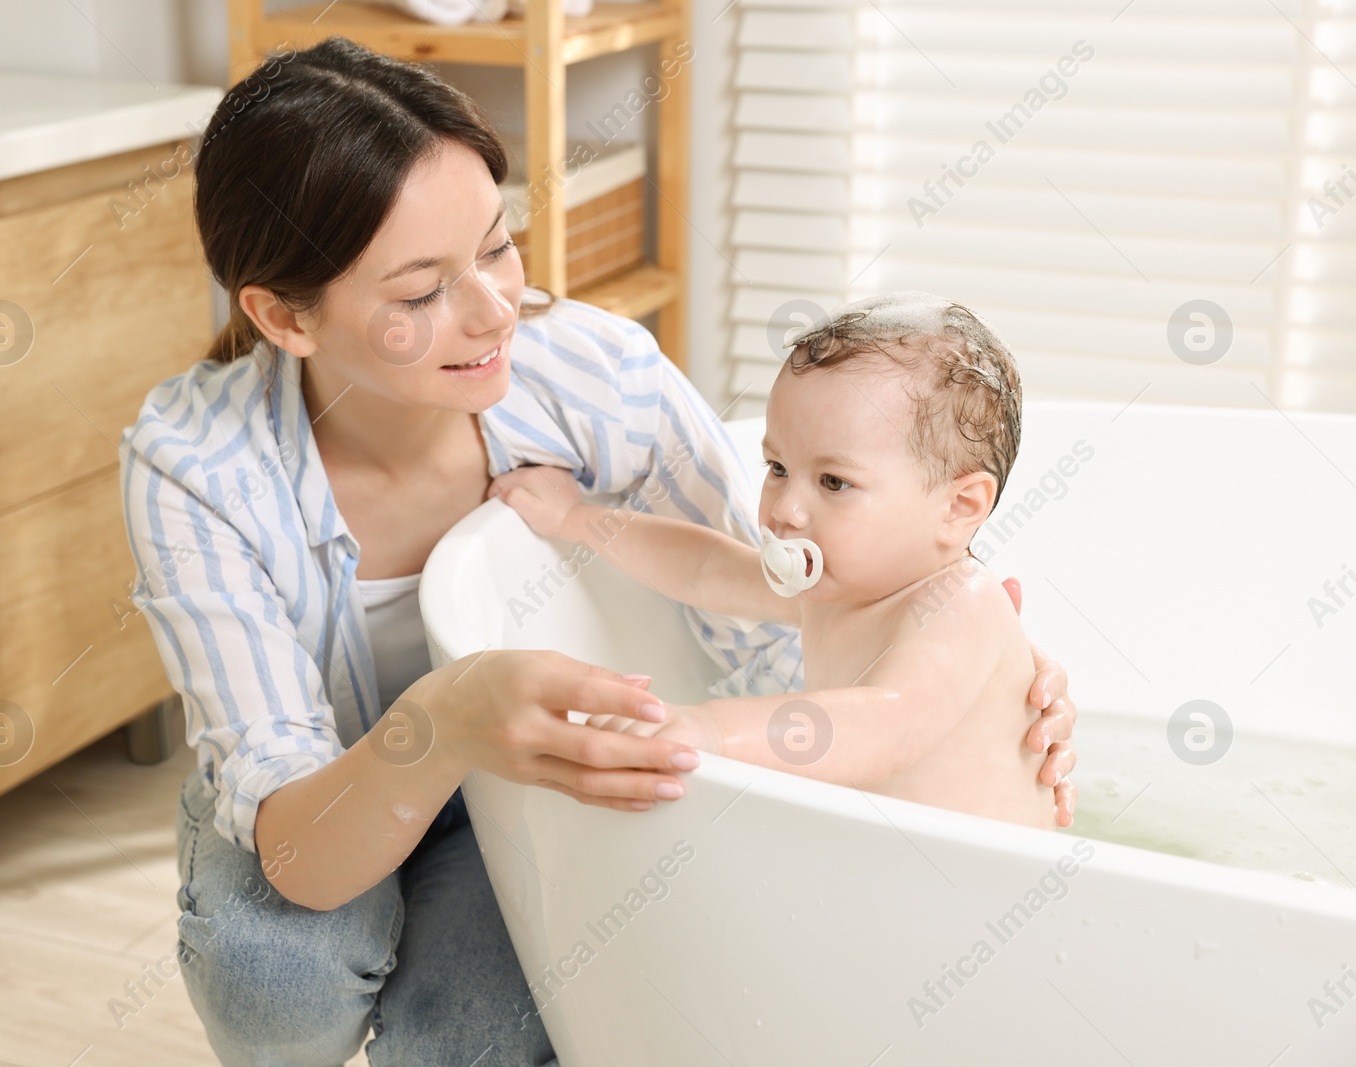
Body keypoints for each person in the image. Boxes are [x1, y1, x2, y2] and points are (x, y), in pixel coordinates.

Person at [118, 36, 1080, 1067]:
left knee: (467, 1044)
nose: (496, 313)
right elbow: (300, 852)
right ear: (280, 316)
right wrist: (448, 716)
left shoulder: (595, 374)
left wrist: (971, 695)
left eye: (496, 246)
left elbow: (772, 598)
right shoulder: (198, 467)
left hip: (527, 790)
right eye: (418, 292)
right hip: (330, 801)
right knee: (279, 985)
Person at [494, 291, 1055, 828]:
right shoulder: (839, 586)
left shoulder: (960, 607)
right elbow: (704, 570)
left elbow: (886, 725)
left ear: (959, 507)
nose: (786, 509)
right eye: (778, 468)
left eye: (834, 482)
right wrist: (578, 521)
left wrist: (710, 731)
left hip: (988, 883)